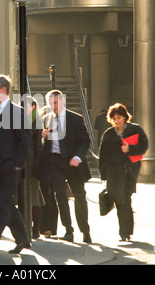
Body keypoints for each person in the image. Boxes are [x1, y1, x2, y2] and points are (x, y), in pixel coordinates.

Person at [0, 74, 31, 256]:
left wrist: (17, 164)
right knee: (7, 204)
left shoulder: (17, 111)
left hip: (9, 168)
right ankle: (23, 239)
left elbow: (25, 140)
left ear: (3, 90)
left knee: (3, 204)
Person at [36, 89, 92, 243]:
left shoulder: (76, 119)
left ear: (63, 101)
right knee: (60, 196)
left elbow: (85, 141)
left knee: (80, 197)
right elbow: (43, 144)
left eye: (55, 102)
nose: (53, 106)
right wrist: (42, 137)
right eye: (50, 103)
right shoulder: (46, 119)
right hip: (54, 162)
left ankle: (85, 231)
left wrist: (78, 157)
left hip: (73, 162)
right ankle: (69, 230)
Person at [99, 103, 148, 241]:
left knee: (125, 200)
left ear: (125, 117)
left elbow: (144, 146)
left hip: (129, 171)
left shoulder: (135, 129)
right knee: (120, 201)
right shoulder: (108, 134)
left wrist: (130, 149)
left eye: (119, 118)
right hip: (114, 173)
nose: (116, 121)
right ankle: (125, 232)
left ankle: (125, 231)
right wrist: (104, 175)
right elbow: (103, 156)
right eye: (114, 118)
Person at [24, 96, 45, 239]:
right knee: (32, 195)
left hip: (32, 164)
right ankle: (31, 227)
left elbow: (38, 146)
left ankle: (35, 229)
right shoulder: (21, 121)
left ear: (32, 107)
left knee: (34, 197)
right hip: (23, 164)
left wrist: (37, 165)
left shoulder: (36, 122)